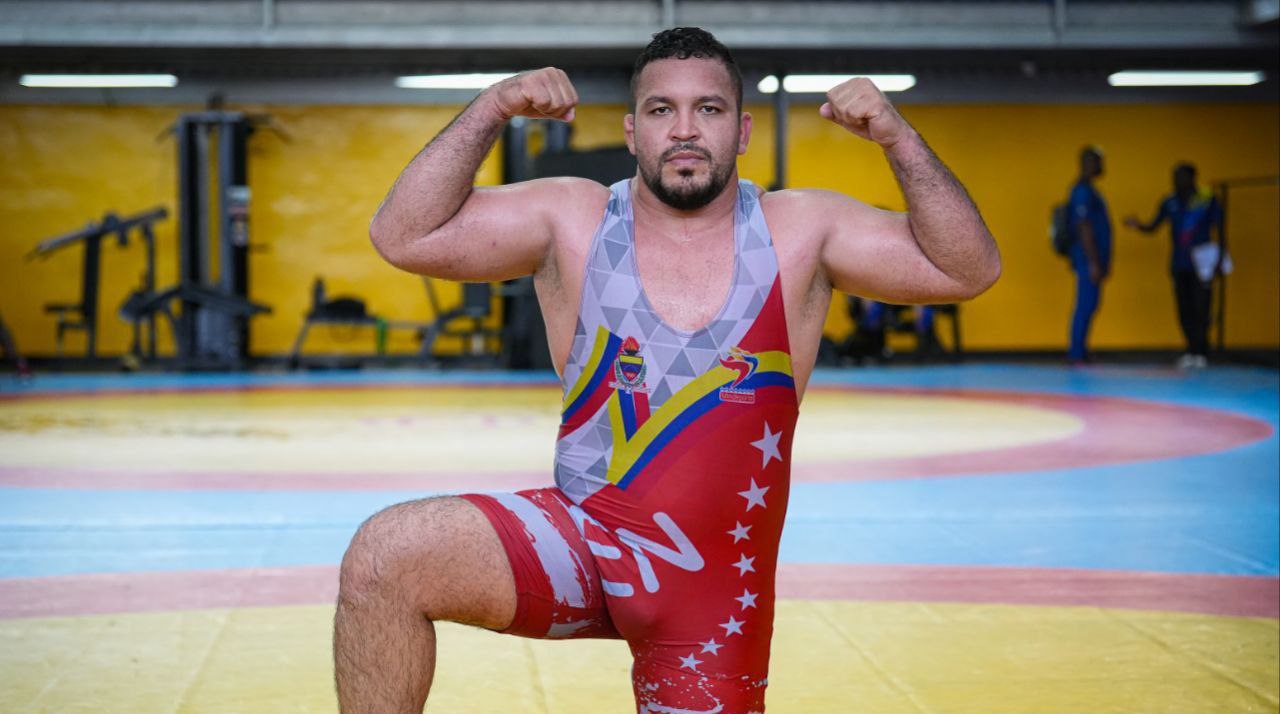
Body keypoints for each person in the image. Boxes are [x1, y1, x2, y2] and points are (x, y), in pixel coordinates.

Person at [338, 27, 1000, 714]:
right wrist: (493, 106)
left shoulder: (800, 230)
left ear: (742, 131)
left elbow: (966, 269)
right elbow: (403, 235)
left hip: (713, 599)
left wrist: (897, 139)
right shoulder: (574, 219)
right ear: (633, 132)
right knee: (386, 557)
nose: (685, 129)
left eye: (708, 109)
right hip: (584, 541)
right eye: (662, 110)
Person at [1123, 162, 1221, 368]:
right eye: (1174, 177)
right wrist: (1138, 225)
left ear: (1192, 178)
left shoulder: (1206, 199)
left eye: (1180, 177)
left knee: (1202, 307)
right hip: (1179, 263)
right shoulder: (1169, 201)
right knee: (1184, 308)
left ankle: (1202, 350)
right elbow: (1153, 226)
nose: (1176, 181)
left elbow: (1219, 227)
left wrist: (1219, 259)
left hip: (1202, 263)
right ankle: (1191, 349)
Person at [1065, 146, 1112, 365]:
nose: (1102, 166)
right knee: (1085, 304)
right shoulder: (1082, 191)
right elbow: (1084, 226)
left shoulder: (1091, 191)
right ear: (1087, 163)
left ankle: (1081, 350)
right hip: (1087, 260)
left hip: (1091, 260)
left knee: (1090, 304)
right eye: (1098, 161)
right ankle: (1076, 354)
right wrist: (1093, 262)